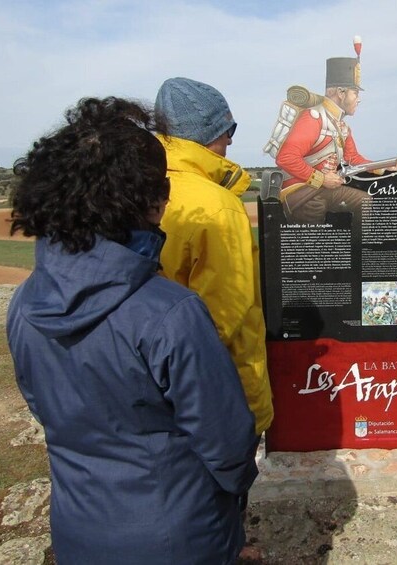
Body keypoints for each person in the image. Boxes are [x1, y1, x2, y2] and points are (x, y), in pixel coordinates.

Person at [6, 97, 258, 564]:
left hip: (78, 529)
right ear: (150, 201)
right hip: (180, 535)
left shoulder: (23, 301)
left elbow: (47, 409)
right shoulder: (171, 312)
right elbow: (229, 446)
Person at [154, 77, 273, 438]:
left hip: (158, 390)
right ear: (204, 135)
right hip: (220, 395)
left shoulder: (141, 185)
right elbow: (224, 316)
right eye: (227, 129)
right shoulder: (216, 207)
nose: (232, 140)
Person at [274, 53, 397, 223]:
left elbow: (353, 158)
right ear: (341, 93)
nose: (358, 100)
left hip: (324, 189)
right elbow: (286, 157)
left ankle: (359, 249)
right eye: (355, 93)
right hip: (302, 191)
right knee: (314, 220)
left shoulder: (342, 126)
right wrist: (321, 178)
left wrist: (385, 167)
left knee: (365, 202)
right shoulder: (313, 118)